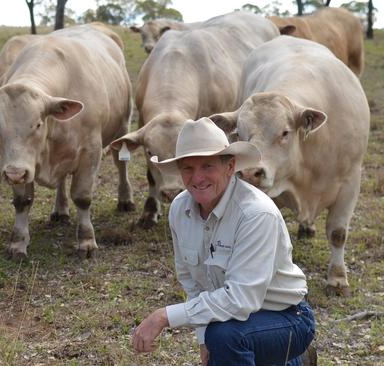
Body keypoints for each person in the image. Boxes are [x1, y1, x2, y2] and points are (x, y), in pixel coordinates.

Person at [130, 117, 316, 365]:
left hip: (286, 317)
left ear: (230, 166)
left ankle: (294, 353)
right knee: (220, 339)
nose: (197, 178)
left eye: (208, 166)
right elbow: (193, 282)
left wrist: (164, 316)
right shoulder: (179, 209)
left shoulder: (256, 214)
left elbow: (240, 299)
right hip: (232, 319)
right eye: (188, 168)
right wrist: (202, 340)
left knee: (225, 338)